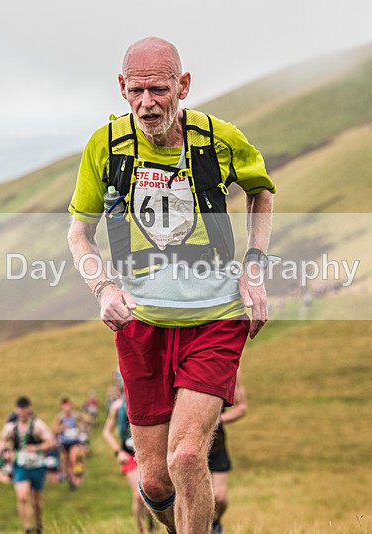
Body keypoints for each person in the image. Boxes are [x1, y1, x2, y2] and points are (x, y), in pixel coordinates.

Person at [67, 37, 275, 534]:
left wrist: (254, 265)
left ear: (183, 86)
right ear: (121, 87)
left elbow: (261, 191)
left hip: (216, 317)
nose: (147, 103)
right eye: (136, 90)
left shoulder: (217, 138)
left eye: (158, 90)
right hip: (141, 323)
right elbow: (80, 232)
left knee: (186, 457)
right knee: (157, 481)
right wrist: (104, 289)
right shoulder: (106, 146)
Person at [0, 396, 56, 534]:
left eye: (25, 408)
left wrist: (36, 448)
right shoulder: (11, 427)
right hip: (21, 465)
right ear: (16, 410)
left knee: (36, 501)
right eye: (20, 409)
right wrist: (7, 451)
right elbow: (2, 440)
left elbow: (51, 442)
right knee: (22, 496)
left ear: (29, 409)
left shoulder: (37, 425)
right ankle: (26, 528)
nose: (22, 412)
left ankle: (38, 525)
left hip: (37, 465)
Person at [103, 392, 152, 534]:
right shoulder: (118, 406)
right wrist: (118, 452)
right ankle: (141, 530)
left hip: (147, 454)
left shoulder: (145, 400)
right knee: (138, 494)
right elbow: (106, 431)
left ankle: (151, 518)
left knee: (152, 490)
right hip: (129, 455)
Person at [209, 372, 247, 534]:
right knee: (200, 498)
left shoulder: (233, 369)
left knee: (220, 498)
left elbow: (242, 408)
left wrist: (217, 420)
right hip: (190, 442)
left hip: (217, 443)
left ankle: (214, 524)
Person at [51, 397, 85, 489]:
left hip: (74, 441)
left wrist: (80, 429)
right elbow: (54, 429)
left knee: (73, 459)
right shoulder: (60, 417)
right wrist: (61, 428)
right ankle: (71, 479)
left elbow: (84, 421)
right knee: (66, 463)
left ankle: (74, 480)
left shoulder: (75, 415)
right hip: (64, 442)